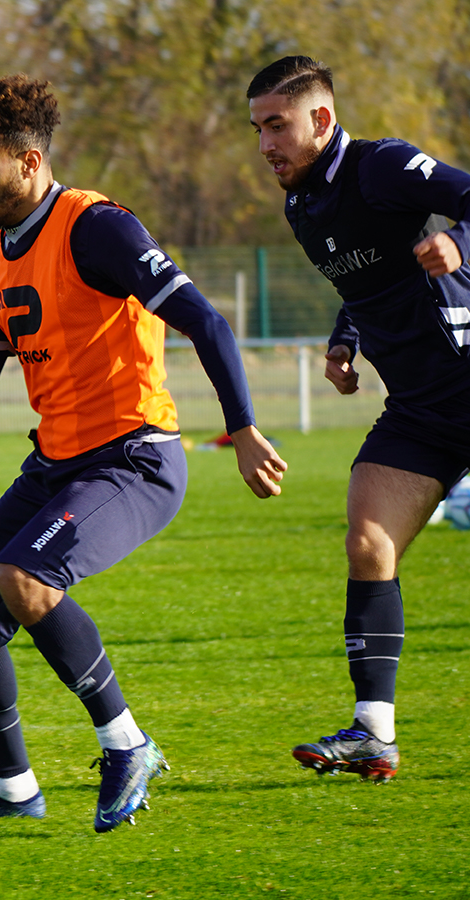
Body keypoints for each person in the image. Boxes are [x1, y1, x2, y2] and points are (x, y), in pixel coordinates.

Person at [0, 72, 286, 832]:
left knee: (26, 576)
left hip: (134, 459)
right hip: (54, 462)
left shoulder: (98, 228)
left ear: (29, 162)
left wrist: (245, 427)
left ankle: (128, 745)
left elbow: (207, 323)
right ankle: (13, 791)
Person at [248, 56, 470, 781]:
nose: (265, 145)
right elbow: (367, 281)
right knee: (369, 541)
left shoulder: (385, 167)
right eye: (257, 129)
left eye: (277, 125)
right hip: (420, 410)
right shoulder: (301, 206)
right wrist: (346, 342)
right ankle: (374, 732)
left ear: (321, 118)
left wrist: (460, 243)